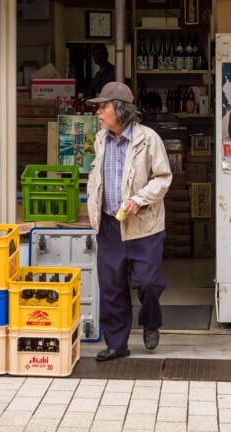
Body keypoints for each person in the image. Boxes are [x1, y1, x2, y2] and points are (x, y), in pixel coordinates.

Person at [85, 81, 172, 362]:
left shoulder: (148, 139)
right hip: (110, 225)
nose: (98, 112)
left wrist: (140, 198)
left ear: (120, 110)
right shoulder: (100, 139)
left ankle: (151, 322)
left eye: (103, 107)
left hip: (143, 225)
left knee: (147, 283)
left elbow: (163, 177)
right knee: (111, 287)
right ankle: (117, 343)